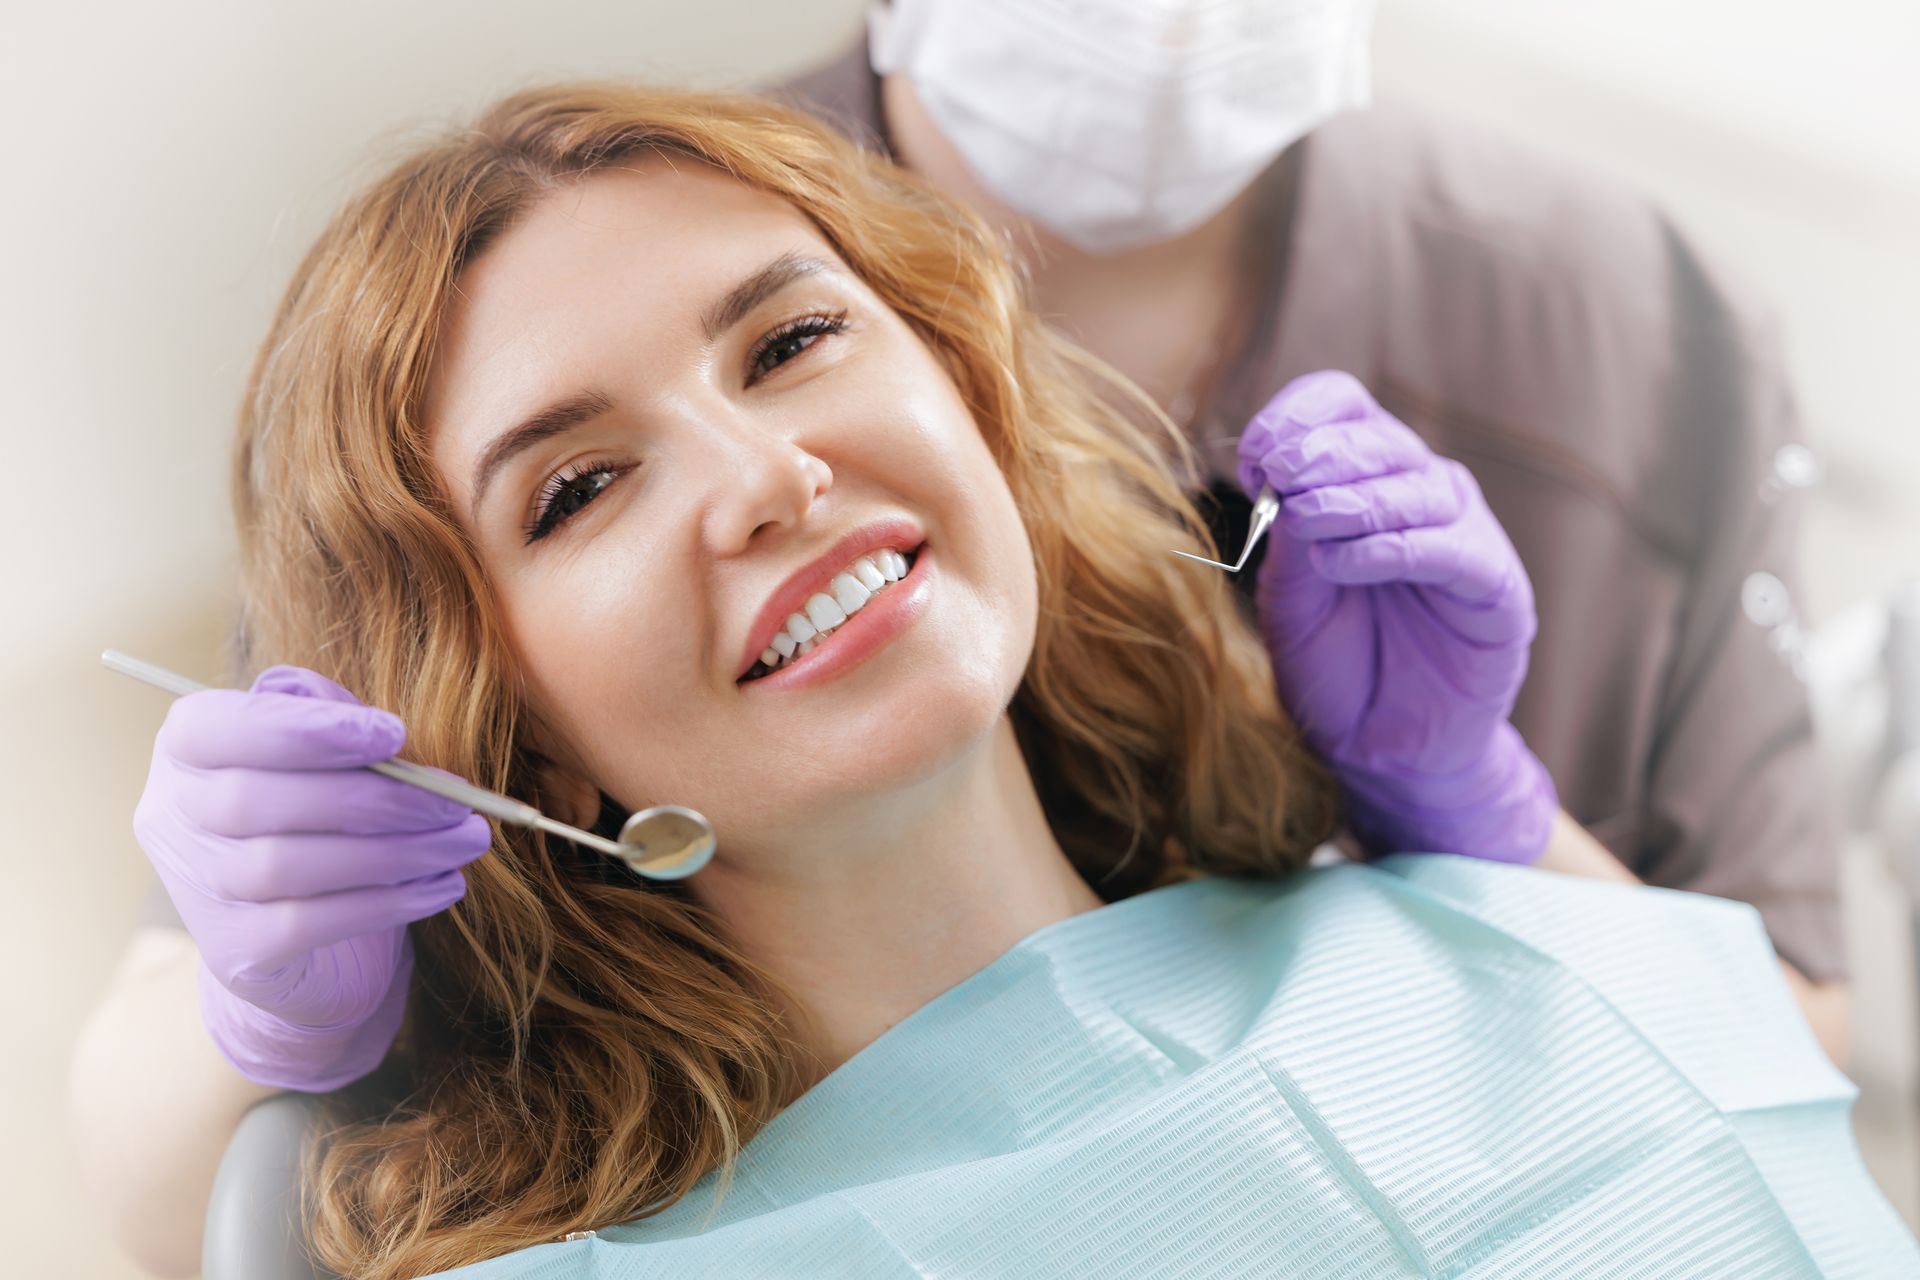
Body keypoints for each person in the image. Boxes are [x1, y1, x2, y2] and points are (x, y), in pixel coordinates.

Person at [68, 1, 1848, 1272]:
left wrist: (1484, 818)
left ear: (978, 400)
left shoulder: (1474, 938)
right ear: (510, 730)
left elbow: (1779, 1116)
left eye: (789, 346)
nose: (769, 475)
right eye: (581, 487)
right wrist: (250, 1021)